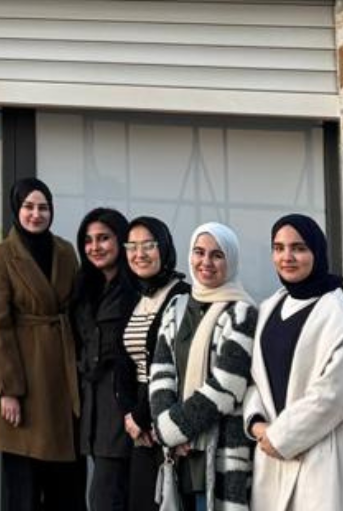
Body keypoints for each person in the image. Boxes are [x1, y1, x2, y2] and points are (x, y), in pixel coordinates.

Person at [243, 215, 343, 511]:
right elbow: (255, 380)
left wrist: (281, 436)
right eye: (278, 248)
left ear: (317, 252)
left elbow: (334, 396)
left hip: (323, 455)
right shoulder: (268, 309)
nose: (286, 257)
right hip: (270, 455)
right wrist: (257, 424)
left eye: (298, 248)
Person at [0, 177, 82, 511]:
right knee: (24, 486)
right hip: (24, 378)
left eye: (43, 207)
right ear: (16, 209)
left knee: (66, 485)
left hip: (63, 375)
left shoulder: (66, 251)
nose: (37, 214)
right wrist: (7, 389)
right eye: (29, 207)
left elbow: (78, 308)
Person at [149, 222, 259, 511]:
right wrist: (170, 433)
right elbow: (160, 374)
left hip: (219, 447)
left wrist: (171, 430)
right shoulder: (177, 307)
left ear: (230, 260)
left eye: (217, 255)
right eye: (199, 252)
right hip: (178, 453)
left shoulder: (242, 313)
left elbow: (227, 386)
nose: (206, 262)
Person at [121, 216, 188, 511]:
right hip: (139, 423)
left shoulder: (182, 296)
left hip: (167, 413)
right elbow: (124, 362)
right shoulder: (135, 297)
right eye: (132, 246)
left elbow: (176, 364)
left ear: (164, 248)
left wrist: (142, 414)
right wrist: (129, 414)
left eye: (148, 245)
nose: (139, 254)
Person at [74, 206, 137, 511]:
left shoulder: (135, 290)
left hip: (123, 411)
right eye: (88, 240)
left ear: (121, 240)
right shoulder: (85, 288)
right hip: (92, 411)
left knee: (105, 499)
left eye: (103, 238)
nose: (94, 247)